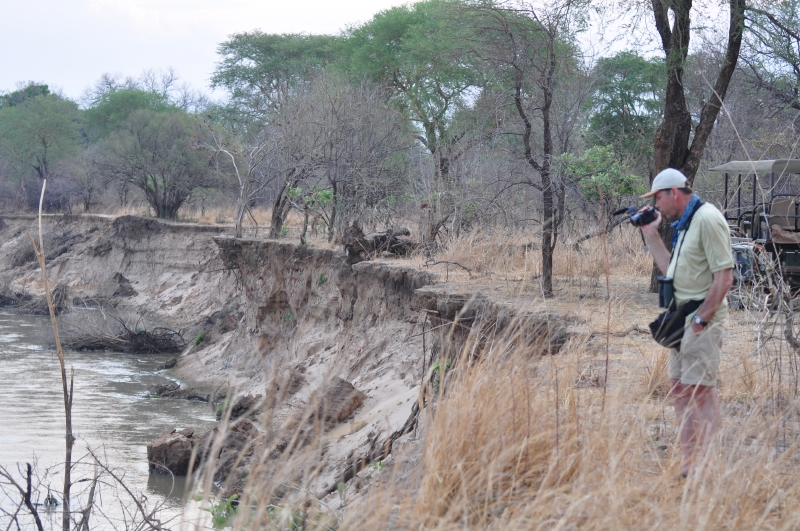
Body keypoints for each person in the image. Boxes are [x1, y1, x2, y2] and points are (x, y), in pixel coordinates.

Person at [638, 168, 734, 477]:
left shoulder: (707, 219)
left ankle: (707, 468)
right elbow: (672, 271)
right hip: (682, 321)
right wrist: (650, 233)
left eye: (658, 198)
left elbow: (724, 277)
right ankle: (689, 465)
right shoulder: (686, 223)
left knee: (701, 392)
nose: (657, 205)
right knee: (680, 389)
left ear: (674, 193)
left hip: (700, 321)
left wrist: (700, 320)